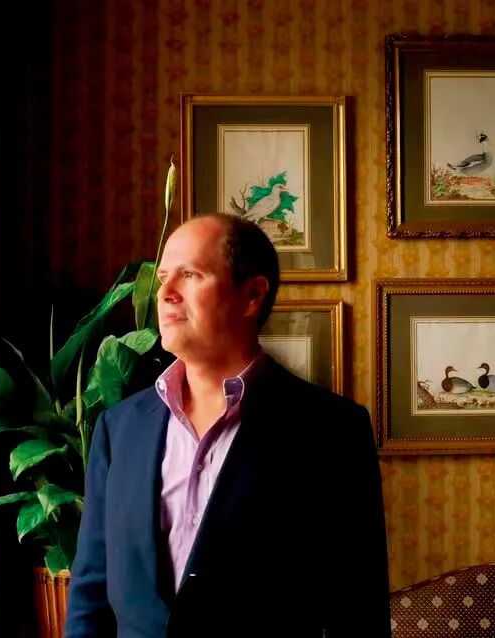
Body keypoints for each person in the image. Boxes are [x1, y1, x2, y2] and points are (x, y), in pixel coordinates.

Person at [65, 213, 391, 638]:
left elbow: (359, 612)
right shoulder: (118, 428)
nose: (165, 292)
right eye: (164, 277)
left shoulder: (332, 431)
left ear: (252, 296)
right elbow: (90, 597)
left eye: (189, 274)